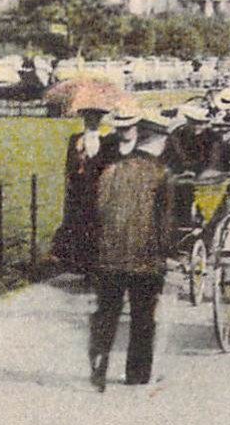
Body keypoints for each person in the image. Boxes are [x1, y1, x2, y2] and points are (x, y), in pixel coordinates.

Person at [87, 111, 174, 392]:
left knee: (107, 312)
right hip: (145, 257)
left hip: (110, 255)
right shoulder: (161, 174)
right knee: (143, 317)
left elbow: (98, 210)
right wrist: (164, 253)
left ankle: (99, 366)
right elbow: (165, 221)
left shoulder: (109, 171)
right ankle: (136, 374)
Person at [55, 105, 117, 275]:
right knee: (81, 229)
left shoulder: (107, 141)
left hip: (99, 192)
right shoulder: (76, 139)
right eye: (88, 117)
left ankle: (98, 267)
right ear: (84, 119)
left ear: (100, 119)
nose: (92, 120)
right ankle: (83, 267)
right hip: (79, 192)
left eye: (96, 117)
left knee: (99, 229)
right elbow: (69, 167)